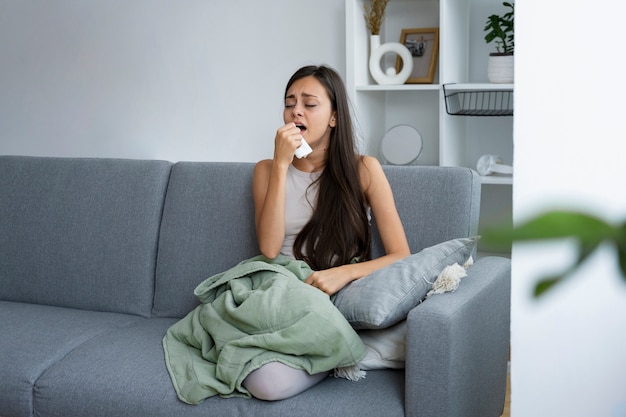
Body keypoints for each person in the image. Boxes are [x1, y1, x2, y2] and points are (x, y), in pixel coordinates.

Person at [244, 65, 411, 400]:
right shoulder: (266, 170)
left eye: (309, 103)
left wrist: (341, 275)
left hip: (334, 294)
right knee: (256, 376)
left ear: (334, 117)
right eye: (290, 103)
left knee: (267, 384)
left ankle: (339, 348)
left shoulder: (363, 169)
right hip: (282, 289)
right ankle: (347, 351)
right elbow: (269, 247)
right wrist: (280, 165)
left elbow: (401, 255)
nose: (296, 111)